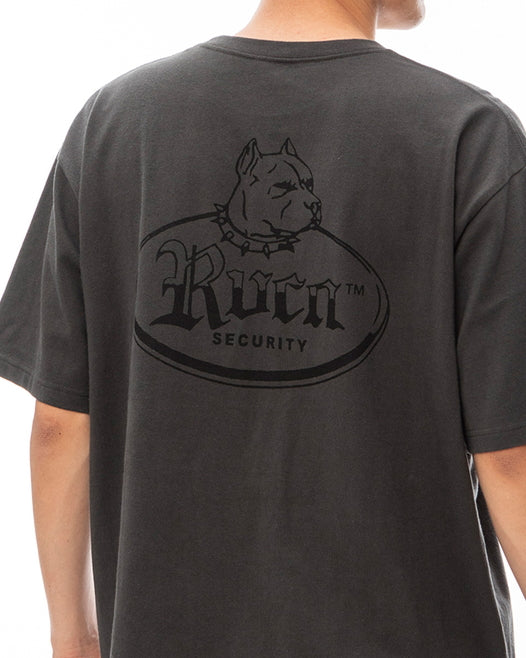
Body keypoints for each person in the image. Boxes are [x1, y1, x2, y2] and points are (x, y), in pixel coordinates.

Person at [0, 0, 525, 656]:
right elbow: (511, 456)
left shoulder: (113, 122)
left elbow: (59, 425)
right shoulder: (469, 135)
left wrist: (72, 635)